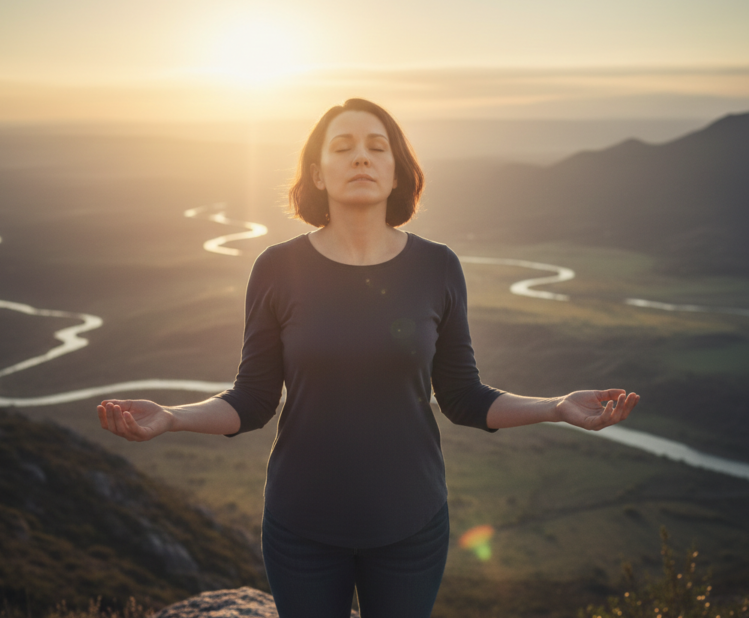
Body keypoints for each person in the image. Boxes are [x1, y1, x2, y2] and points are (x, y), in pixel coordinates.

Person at [97, 98, 639, 618]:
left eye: (378, 146)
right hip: (300, 527)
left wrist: (557, 407)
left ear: (398, 171)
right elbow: (253, 400)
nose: (361, 156)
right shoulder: (276, 268)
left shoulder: (439, 267)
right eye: (344, 146)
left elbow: (463, 397)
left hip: (412, 526)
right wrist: (171, 419)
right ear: (316, 174)